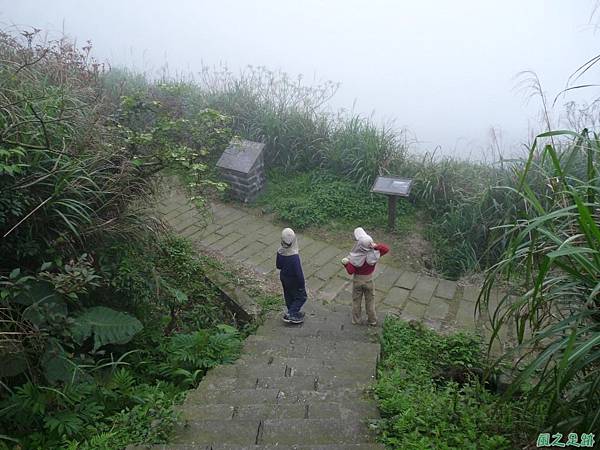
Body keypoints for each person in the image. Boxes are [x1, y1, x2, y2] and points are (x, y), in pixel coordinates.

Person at [342, 227, 389, 326]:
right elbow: (386, 249)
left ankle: (356, 320)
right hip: (369, 280)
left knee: (356, 301)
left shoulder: (355, 256)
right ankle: (372, 320)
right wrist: (376, 246)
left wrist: (346, 263)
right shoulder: (374, 254)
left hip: (357, 281)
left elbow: (350, 271)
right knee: (370, 301)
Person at [276, 228, 307, 324]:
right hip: (294, 280)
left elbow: (278, 266)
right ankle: (291, 313)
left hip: (284, 277)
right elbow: (299, 273)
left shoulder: (280, 251)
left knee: (288, 295)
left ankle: (292, 310)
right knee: (302, 297)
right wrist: (302, 284)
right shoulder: (294, 256)